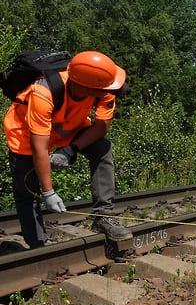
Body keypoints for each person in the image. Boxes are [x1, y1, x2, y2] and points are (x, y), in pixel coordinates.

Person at [4, 51, 132, 248]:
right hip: (26, 133)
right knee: (27, 188)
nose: (112, 91)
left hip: (68, 128)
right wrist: (49, 192)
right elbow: (39, 148)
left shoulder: (105, 87)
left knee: (102, 148)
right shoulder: (44, 92)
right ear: (85, 87)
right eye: (106, 88)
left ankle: (104, 217)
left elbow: (101, 127)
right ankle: (37, 245)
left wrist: (70, 150)